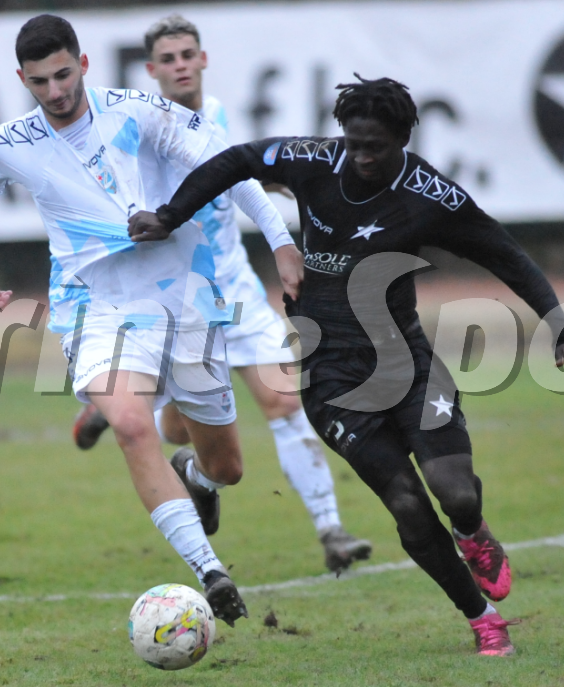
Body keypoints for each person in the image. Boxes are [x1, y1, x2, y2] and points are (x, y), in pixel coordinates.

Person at [128, 75, 564, 655]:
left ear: (403, 138)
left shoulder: (431, 195)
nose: (361, 156)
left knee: (455, 493)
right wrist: (172, 216)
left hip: (406, 363)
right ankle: (482, 619)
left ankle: (472, 531)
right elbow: (236, 160)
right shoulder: (315, 160)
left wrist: (563, 327)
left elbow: (504, 253)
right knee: (405, 501)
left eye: (375, 145)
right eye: (353, 142)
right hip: (331, 381)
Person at [0, 14, 304, 626]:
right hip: (94, 306)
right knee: (133, 426)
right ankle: (209, 571)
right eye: (40, 82)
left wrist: (280, 242)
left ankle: (193, 474)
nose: (56, 91)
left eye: (64, 74)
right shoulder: (8, 142)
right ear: (22, 79)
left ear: (83, 64)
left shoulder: (137, 112)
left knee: (227, 468)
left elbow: (231, 164)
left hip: (186, 298)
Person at [72, 14, 373, 574]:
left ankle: (331, 530)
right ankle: (123, 413)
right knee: (179, 430)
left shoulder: (216, 119)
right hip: (176, 304)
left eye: (189, 54)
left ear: (203, 59)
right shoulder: (136, 132)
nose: (181, 64)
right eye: (169, 58)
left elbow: (241, 177)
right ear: (152, 71)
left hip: (233, 289)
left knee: (285, 401)